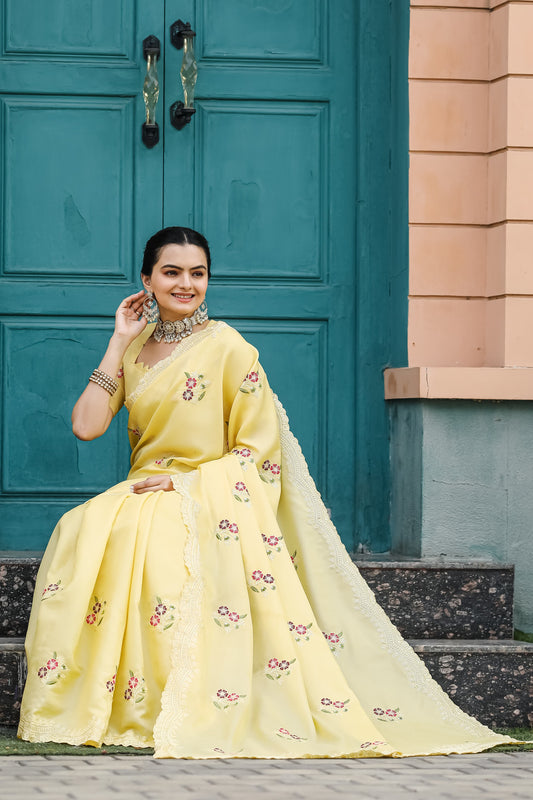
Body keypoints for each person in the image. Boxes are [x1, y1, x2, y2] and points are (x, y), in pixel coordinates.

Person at [18, 226, 514, 758]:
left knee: (161, 543)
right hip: (142, 490)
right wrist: (117, 339)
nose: (186, 284)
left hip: (202, 497)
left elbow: (257, 456)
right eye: (171, 272)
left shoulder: (230, 348)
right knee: (81, 526)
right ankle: (103, 703)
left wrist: (187, 483)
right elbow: (86, 426)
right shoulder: (135, 348)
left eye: (197, 273)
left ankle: (175, 705)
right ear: (146, 280)